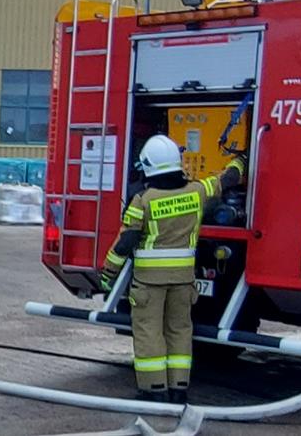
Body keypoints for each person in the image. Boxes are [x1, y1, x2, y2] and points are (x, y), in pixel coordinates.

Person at [100, 134, 244, 405]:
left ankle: (154, 389)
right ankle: (179, 388)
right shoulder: (197, 192)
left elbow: (126, 241)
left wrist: (108, 274)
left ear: (149, 167)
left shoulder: (144, 200)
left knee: (149, 332)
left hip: (149, 284)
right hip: (183, 280)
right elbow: (227, 180)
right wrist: (241, 160)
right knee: (180, 330)